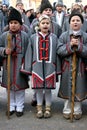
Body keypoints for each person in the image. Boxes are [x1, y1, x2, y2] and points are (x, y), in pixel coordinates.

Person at [21, 14, 61, 118]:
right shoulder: (33, 38)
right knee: (38, 89)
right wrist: (29, 67)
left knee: (48, 89)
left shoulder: (54, 38)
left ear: (50, 25)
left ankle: (48, 108)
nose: (45, 25)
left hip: (50, 67)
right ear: (39, 24)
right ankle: (39, 108)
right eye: (43, 23)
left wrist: (57, 67)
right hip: (37, 67)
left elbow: (57, 54)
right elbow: (29, 52)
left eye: (47, 23)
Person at [57, 11, 87, 120]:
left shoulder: (85, 36)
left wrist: (79, 46)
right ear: (69, 23)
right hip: (67, 67)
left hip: (80, 67)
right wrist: (70, 45)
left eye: (78, 20)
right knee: (67, 86)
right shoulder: (64, 36)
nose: (75, 22)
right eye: (73, 20)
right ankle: (67, 109)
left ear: (82, 23)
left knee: (79, 87)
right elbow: (59, 50)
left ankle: (77, 109)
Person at [0, 8, 29, 117]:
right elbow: (0, 47)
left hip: (20, 65)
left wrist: (26, 65)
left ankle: (20, 106)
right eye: (11, 23)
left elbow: (28, 51)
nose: (13, 25)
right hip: (8, 65)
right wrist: (4, 51)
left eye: (16, 23)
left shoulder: (25, 36)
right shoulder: (4, 36)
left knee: (20, 87)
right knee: (10, 87)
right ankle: (11, 106)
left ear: (20, 24)